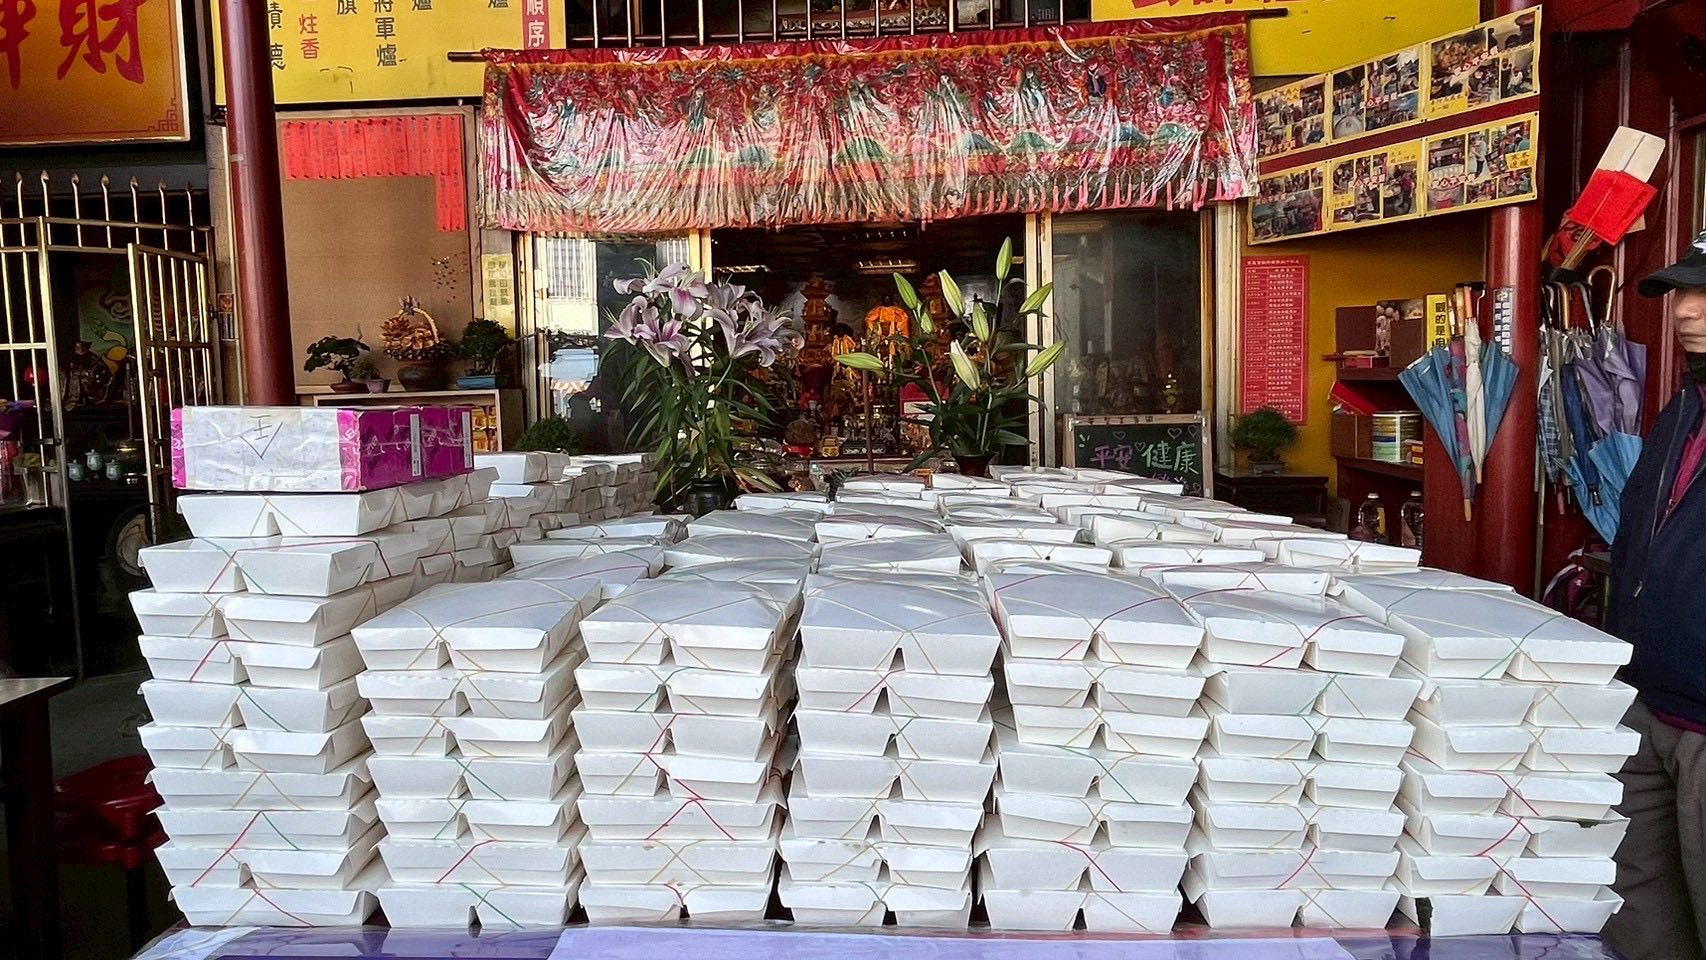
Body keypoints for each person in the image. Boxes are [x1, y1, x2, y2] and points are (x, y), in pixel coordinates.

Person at [1605, 230, 1706, 960]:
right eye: (1681, 292)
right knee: (1639, 921)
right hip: (1645, 702)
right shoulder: (1683, 408)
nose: (1686, 310)